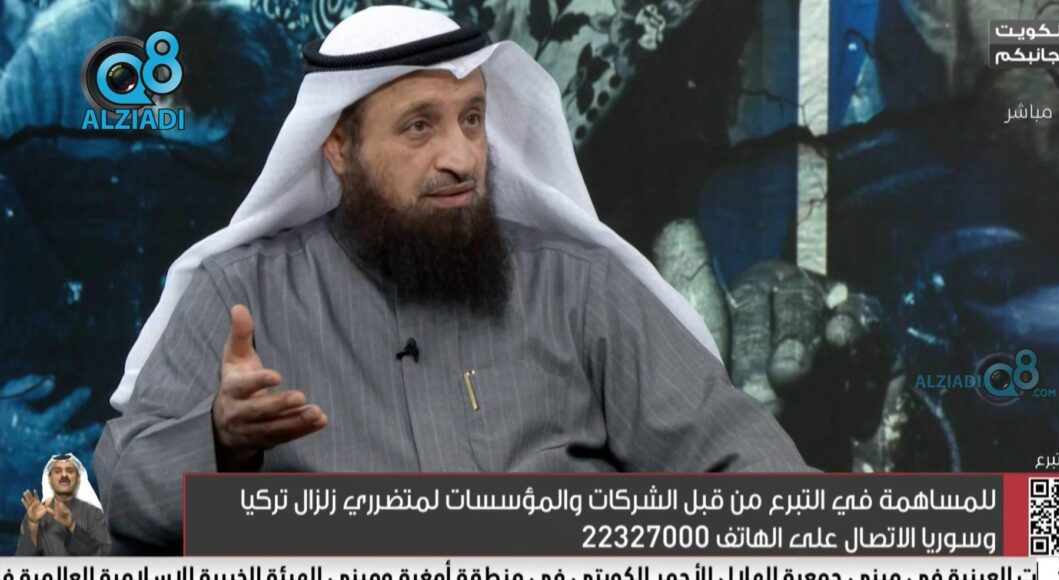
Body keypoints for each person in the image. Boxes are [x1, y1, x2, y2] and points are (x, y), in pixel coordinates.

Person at [94, 6, 884, 554]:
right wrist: (221, 442)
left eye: (472, 119)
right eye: (420, 126)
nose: (461, 157)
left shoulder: (581, 290)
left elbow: (745, 467)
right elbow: (126, 493)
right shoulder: (242, 295)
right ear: (337, 148)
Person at [16, 453, 110, 555]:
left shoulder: (94, 514)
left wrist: (72, 525)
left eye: (70, 471)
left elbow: (105, 555)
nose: (64, 475)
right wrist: (33, 523)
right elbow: (22, 560)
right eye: (57, 471)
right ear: (49, 478)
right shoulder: (35, 514)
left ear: (78, 478)